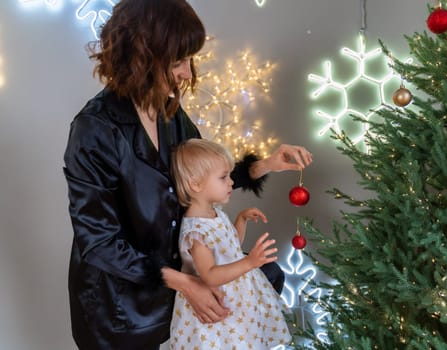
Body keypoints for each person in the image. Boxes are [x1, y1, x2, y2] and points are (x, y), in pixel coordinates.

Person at [62, 0, 313, 349]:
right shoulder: (95, 130)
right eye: (177, 61)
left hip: (177, 289)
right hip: (120, 308)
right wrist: (184, 282)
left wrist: (266, 164)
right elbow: (100, 243)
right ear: (142, 55)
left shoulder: (170, 114)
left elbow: (204, 177)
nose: (186, 73)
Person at [169, 139, 291, 349]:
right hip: (218, 305)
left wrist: (240, 221)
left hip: (236, 299)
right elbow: (209, 274)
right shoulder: (196, 231)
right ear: (195, 183)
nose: (231, 182)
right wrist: (250, 262)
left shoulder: (214, 213)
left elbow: (230, 246)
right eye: (223, 177)